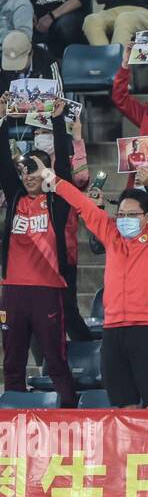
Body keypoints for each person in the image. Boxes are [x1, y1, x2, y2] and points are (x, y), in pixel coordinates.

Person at [40, 157, 148, 409]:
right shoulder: (111, 234)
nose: (124, 219)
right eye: (121, 214)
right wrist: (51, 178)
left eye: (131, 215)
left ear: (147, 217)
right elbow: (82, 204)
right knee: (124, 409)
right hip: (113, 332)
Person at [0, 102, 75, 407]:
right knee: (13, 362)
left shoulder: (57, 202)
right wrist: (3, 118)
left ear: (47, 173)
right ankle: (13, 423)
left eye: (35, 169)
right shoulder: (16, 196)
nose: (28, 175)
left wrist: (58, 122)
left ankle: (69, 417)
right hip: (13, 291)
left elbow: (66, 168)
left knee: (55, 362)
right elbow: (4, 161)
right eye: (24, 169)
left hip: (47, 291)